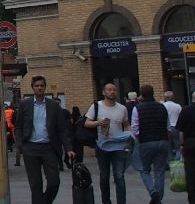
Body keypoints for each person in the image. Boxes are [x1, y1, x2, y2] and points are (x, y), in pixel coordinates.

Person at [14, 75, 74, 204]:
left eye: (42, 85)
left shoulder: (53, 105)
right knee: (35, 185)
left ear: (45, 87)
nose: (39, 88)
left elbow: (62, 129)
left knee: (54, 182)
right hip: (30, 148)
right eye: (37, 86)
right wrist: (20, 144)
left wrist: (68, 148)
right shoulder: (25, 104)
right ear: (32, 88)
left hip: (49, 148)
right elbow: (18, 126)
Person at [85, 83, 131, 204]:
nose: (112, 92)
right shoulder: (96, 106)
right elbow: (86, 123)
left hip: (119, 147)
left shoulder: (122, 108)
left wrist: (128, 135)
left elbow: (126, 124)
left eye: (114, 90)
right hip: (102, 146)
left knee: (119, 176)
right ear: (104, 92)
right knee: (104, 177)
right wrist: (98, 123)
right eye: (109, 90)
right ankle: (106, 201)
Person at [131, 84, 170, 204]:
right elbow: (168, 127)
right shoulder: (162, 107)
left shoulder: (137, 108)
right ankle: (158, 199)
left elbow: (135, 128)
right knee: (159, 172)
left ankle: (153, 192)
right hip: (162, 141)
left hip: (146, 141)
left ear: (141, 94)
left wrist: (139, 140)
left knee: (144, 169)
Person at [162, 90, 182, 161]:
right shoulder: (177, 106)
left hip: (166, 128)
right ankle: (177, 162)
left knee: (168, 146)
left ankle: (170, 162)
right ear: (172, 97)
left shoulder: (162, 106)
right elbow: (181, 117)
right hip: (176, 127)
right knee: (177, 145)